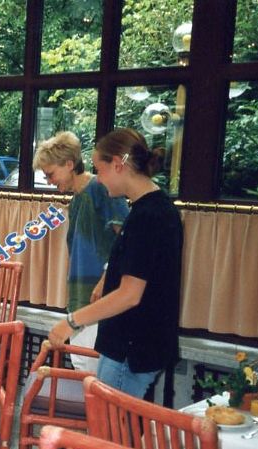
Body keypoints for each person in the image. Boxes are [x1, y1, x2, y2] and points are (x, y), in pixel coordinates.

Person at [48, 128, 183, 399]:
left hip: (131, 347)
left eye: (100, 170)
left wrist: (72, 322)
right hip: (130, 342)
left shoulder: (150, 216)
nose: (98, 178)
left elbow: (130, 295)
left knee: (109, 424)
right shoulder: (149, 208)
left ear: (118, 164)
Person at [33, 131, 129, 372]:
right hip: (82, 294)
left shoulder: (100, 189)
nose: (49, 181)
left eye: (51, 174)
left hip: (100, 296)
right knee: (82, 365)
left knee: (90, 369)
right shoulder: (77, 198)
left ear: (69, 164)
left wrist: (106, 279)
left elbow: (128, 238)